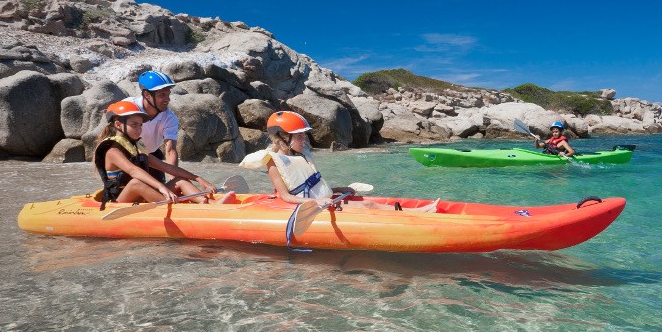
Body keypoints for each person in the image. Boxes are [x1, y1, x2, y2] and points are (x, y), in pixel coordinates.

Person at [239, 111, 438, 211]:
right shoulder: (273, 161)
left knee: (364, 201)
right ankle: (416, 213)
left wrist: (338, 189)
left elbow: (310, 186)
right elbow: (287, 197)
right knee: (368, 206)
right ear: (282, 137)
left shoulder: (300, 155)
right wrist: (318, 201)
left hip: (326, 202)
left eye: (303, 135)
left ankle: (410, 210)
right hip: (309, 208)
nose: (304, 140)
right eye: (299, 136)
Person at [94, 101, 235, 209]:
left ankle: (211, 203)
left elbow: (166, 167)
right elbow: (133, 171)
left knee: (180, 180)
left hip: (140, 196)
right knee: (136, 183)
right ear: (118, 125)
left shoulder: (135, 147)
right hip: (119, 201)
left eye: (140, 125)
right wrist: (161, 187)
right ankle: (182, 209)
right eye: (134, 125)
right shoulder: (112, 150)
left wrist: (198, 178)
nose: (139, 129)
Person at [125, 70, 179, 184]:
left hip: (153, 157)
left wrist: (173, 181)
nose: (167, 99)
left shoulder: (170, 118)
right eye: (162, 95)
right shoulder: (129, 108)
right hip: (128, 157)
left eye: (168, 94)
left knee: (165, 188)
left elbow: (170, 150)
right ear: (147, 95)